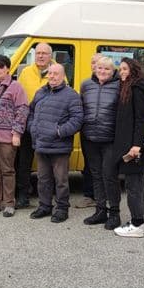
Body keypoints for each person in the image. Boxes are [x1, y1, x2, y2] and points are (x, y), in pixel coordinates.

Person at [27, 64, 83, 223]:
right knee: (43, 179)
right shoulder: (41, 92)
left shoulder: (71, 95)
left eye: (56, 74)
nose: (52, 76)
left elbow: (77, 120)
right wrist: (32, 128)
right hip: (41, 144)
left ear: (63, 76)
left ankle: (62, 209)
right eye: (50, 73)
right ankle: (44, 206)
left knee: (61, 181)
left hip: (59, 146)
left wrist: (59, 131)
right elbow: (30, 112)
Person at [112, 58, 144, 238]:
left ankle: (137, 224)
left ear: (133, 70)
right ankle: (140, 222)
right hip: (132, 144)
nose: (121, 72)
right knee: (136, 184)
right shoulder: (132, 87)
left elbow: (142, 119)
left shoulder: (137, 89)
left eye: (124, 69)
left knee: (133, 185)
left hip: (135, 147)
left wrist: (137, 145)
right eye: (120, 69)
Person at [0, 55, 29, 217]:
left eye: (2, 66)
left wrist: (17, 133)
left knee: (8, 170)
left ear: (8, 68)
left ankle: (9, 203)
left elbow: (22, 110)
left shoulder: (16, 87)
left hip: (8, 136)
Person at [80, 56, 122, 229]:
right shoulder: (86, 85)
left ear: (113, 72)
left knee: (109, 176)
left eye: (107, 69)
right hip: (90, 138)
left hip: (110, 140)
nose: (103, 71)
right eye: (100, 68)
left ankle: (114, 213)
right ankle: (100, 210)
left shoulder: (120, 86)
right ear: (94, 69)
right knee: (96, 176)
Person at [15, 42, 54, 208]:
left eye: (44, 53)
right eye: (38, 53)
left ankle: (46, 199)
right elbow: (19, 97)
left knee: (48, 163)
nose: (41, 56)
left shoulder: (56, 72)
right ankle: (23, 196)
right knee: (23, 163)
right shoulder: (25, 72)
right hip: (27, 123)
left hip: (47, 126)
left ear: (50, 56)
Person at [75, 53, 103, 209]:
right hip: (88, 131)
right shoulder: (85, 84)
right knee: (89, 166)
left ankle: (102, 197)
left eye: (97, 63)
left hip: (106, 132)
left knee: (105, 166)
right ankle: (89, 196)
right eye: (92, 63)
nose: (94, 65)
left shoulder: (115, 83)